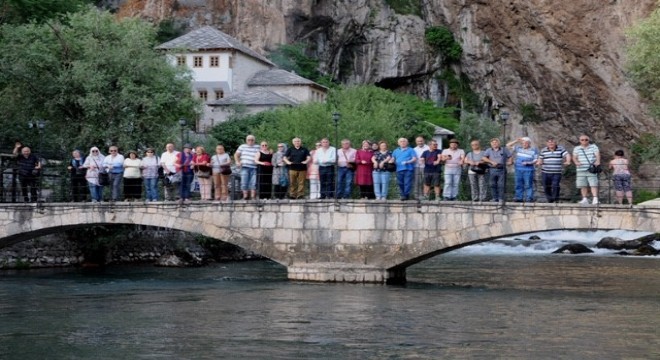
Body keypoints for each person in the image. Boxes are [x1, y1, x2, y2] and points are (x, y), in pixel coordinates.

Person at [537, 137, 571, 203]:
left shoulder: (560, 149)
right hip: (545, 172)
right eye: (549, 142)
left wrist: (568, 161)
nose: (551, 143)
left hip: (556, 172)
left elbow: (567, 155)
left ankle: (555, 199)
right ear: (547, 143)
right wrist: (539, 162)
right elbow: (540, 158)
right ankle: (550, 200)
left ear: (555, 143)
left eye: (552, 142)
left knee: (555, 185)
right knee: (546, 186)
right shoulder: (543, 150)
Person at [507, 137, 538, 202]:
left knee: (528, 185)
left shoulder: (534, 150)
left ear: (529, 143)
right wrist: (516, 140)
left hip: (528, 170)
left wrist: (528, 163)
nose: (524, 144)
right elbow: (508, 145)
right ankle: (519, 198)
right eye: (523, 143)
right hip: (518, 169)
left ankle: (529, 198)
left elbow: (536, 160)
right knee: (518, 184)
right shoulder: (518, 148)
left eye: (526, 143)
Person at [573, 134, 601, 205]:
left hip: (591, 168)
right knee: (582, 185)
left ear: (588, 140)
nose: (584, 141)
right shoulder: (577, 148)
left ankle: (595, 198)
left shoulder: (593, 147)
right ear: (580, 141)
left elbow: (597, 154)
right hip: (580, 169)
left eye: (586, 139)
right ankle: (584, 198)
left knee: (593, 184)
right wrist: (576, 162)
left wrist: (598, 161)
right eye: (582, 140)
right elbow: (574, 157)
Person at [482, 138, 512, 203]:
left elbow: (510, 157)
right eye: (493, 142)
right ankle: (494, 198)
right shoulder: (488, 150)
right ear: (491, 144)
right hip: (492, 169)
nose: (494, 143)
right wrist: (491, 162)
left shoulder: (504, 150)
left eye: (496, 142)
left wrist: (508, 162)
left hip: (502, 170)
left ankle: (501, 198)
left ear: (499, 143)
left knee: (501, 185)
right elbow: (483, 158)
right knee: (492, 184)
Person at [234, 135, 259, 200]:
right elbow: (236, 155)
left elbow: (265, 151)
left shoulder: (258, 147)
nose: (250, 141)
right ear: (246, 140)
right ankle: (245, 196)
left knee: (253, 182)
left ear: (254, 140)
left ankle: (253, 197)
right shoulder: (242, 146)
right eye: (249, 140)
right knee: (244, 182)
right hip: (244, 166)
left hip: (254, 167)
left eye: (252, 140)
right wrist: (237, 162)